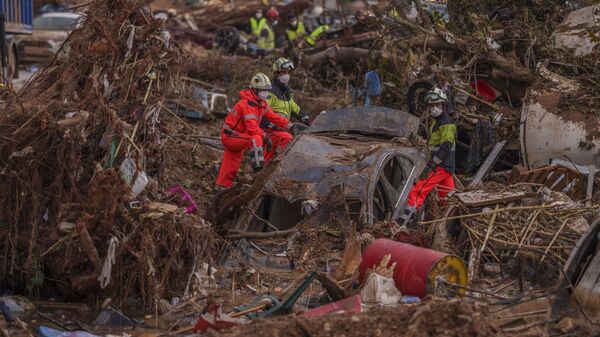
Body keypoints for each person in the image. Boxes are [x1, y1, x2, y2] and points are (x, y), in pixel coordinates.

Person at [215, 73, 295, 190]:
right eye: (262, 90)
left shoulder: (261, 104)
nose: (265, 93)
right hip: (231, 137)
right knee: (256, 138)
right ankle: (258, 172)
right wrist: (265, 136)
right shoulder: (246, 104)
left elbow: (274, 117)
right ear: (254, 90)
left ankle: (221, 187)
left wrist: (290, 125)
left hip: (241, 136)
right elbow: (252, 129)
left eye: (267, 90)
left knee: (285, 136)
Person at [400, 87, 456, 224]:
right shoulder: (436, 122)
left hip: (440, 165)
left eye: (437, 105)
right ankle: (449, 223)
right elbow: (434, 143)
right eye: (431, 106)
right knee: (447, 197)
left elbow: (446, 147)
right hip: (446, 167)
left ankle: (404, 224)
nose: (434, 109)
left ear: (444, 106)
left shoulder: (446, 124)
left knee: (419, 189)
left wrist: (433, 163)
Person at [266, 57, 311, 125]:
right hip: (273, 129)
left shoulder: (286, 91)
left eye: (288, 72)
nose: (287, 75)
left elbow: (294, 108)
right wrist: (273, 126)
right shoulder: (270, 91)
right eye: (284, 72)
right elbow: (264, 112)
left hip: (285, 126)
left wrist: (307, 120)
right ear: (276, 74)